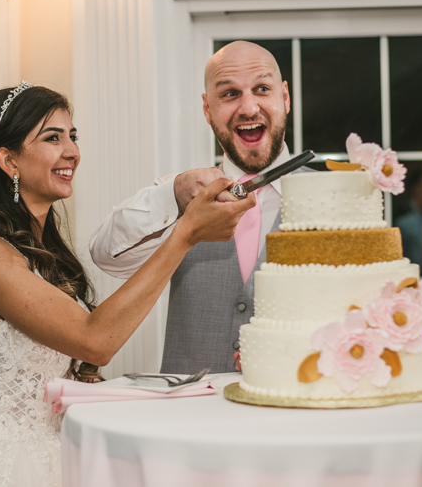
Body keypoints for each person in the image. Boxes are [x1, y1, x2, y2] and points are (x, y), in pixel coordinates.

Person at [0, 84, 254, 487]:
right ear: (8, 160)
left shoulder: (40, 250)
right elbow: (95, 340)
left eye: (73, 136)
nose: (72, 151)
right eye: (52, 137)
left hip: (60, 451)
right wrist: (185, 233)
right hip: (1, 466)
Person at [89, 41, 310, 374]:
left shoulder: (334, 199)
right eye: (230, 94)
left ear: (285, 98)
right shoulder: (181, 198)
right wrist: (176, 194)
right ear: (207, 110)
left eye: (262, 89)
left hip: (296, 415)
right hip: (188, 419)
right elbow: (104, 254)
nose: (249, 108)